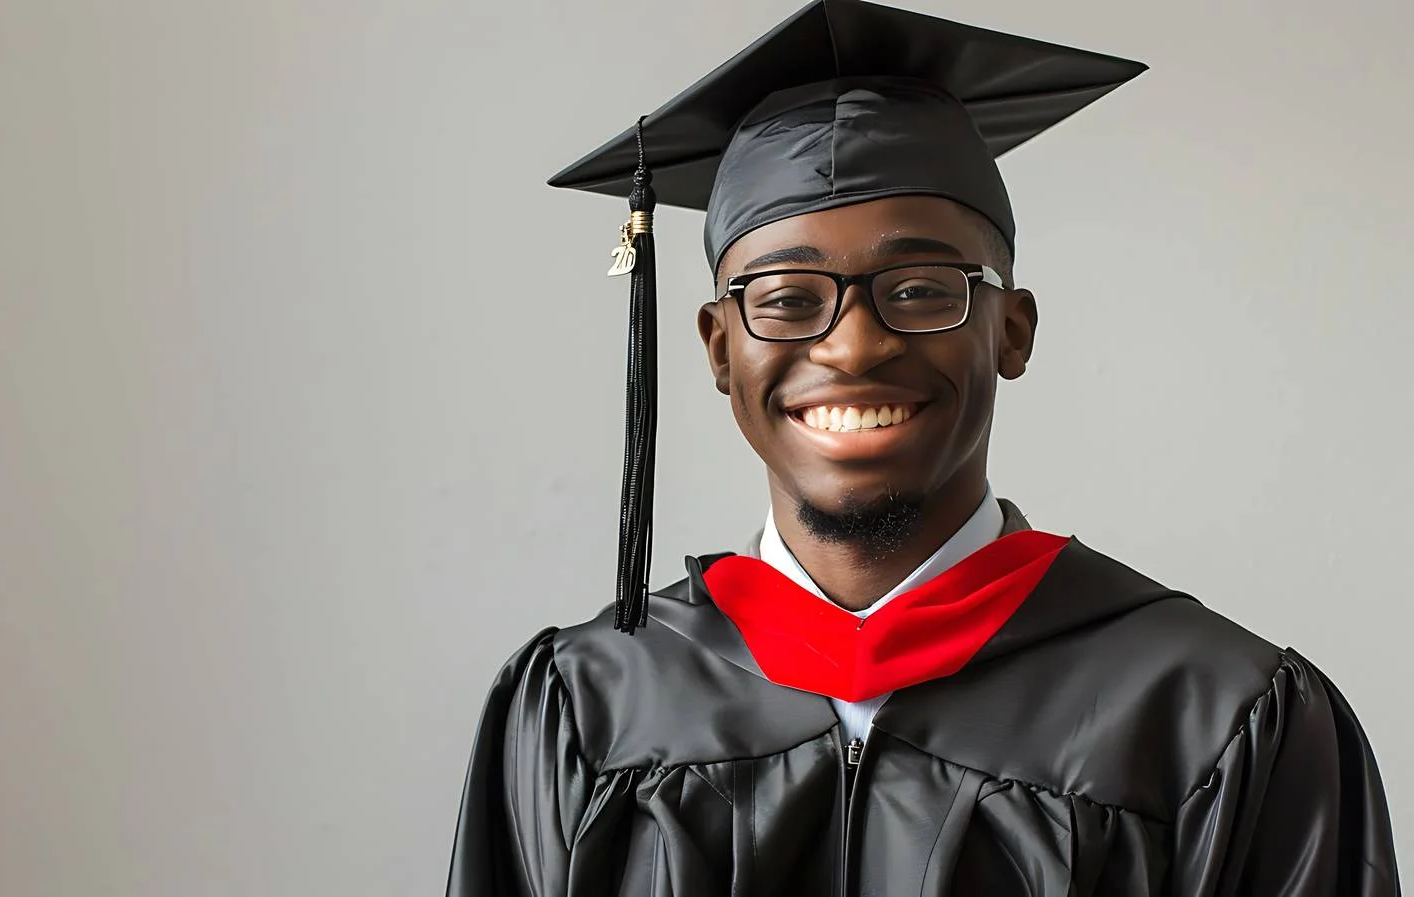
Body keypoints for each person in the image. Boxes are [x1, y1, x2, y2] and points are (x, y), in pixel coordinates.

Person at [444, 1, 1400, 893]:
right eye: (784, 299)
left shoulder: (1215, 714)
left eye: (922, 288)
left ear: (1013, 330)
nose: (854, 346)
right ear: (718, 350)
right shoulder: (586, 706)